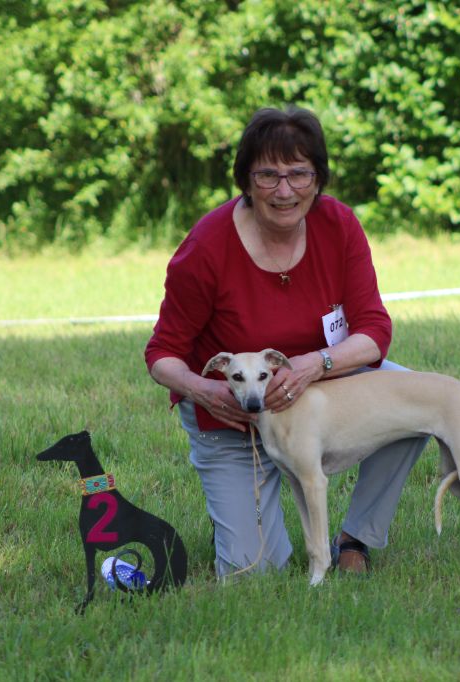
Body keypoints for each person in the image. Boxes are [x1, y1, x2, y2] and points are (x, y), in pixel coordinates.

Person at [145, 106, 429, 579]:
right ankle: (241, 513)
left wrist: (314, 364)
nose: (284, 191)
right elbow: (162, 354)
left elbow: (374, 331)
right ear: (245, 180)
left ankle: (355, 537)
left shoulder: (337, 225)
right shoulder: (207, 248)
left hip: (320, 395)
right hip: (235, 421)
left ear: (317, 178)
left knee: (417, 401)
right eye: (268, 175)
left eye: (299, 174)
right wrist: (206, 391)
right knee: (253, 573)